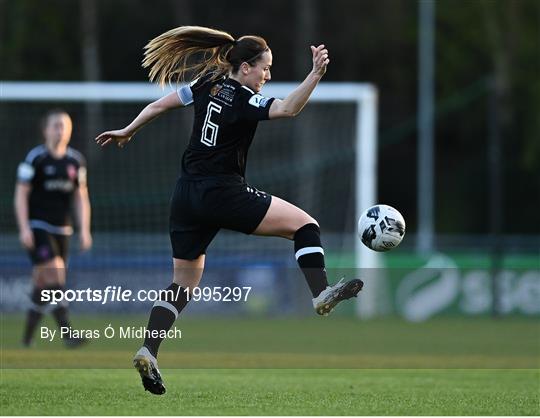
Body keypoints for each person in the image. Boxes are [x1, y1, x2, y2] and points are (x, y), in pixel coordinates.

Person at [95, 26, 363, 395]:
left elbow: (160, 105)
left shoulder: (208, 83)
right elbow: (287, 108)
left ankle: (148, 349)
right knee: (305, 225)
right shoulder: (243, 98)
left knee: (183, 284)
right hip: (222, 193)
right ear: (247, 67)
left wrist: (128, 130)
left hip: (185, 196)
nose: (268, 76)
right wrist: (315, 74)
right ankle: (319, 293)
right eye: (265, 68)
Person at [15, 109, 92, 348]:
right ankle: (68, 334)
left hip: (63, 229)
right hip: (38, 226)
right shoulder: (35, 158)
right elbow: (20, 194)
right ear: (46, 130)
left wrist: (85, 229)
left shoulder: (75, 161)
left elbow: (81, 196)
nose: (61, 130)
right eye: (57, 125)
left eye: (65, 126)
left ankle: (27, 339)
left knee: (42, 284)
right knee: (55, 274)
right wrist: (24, 227)